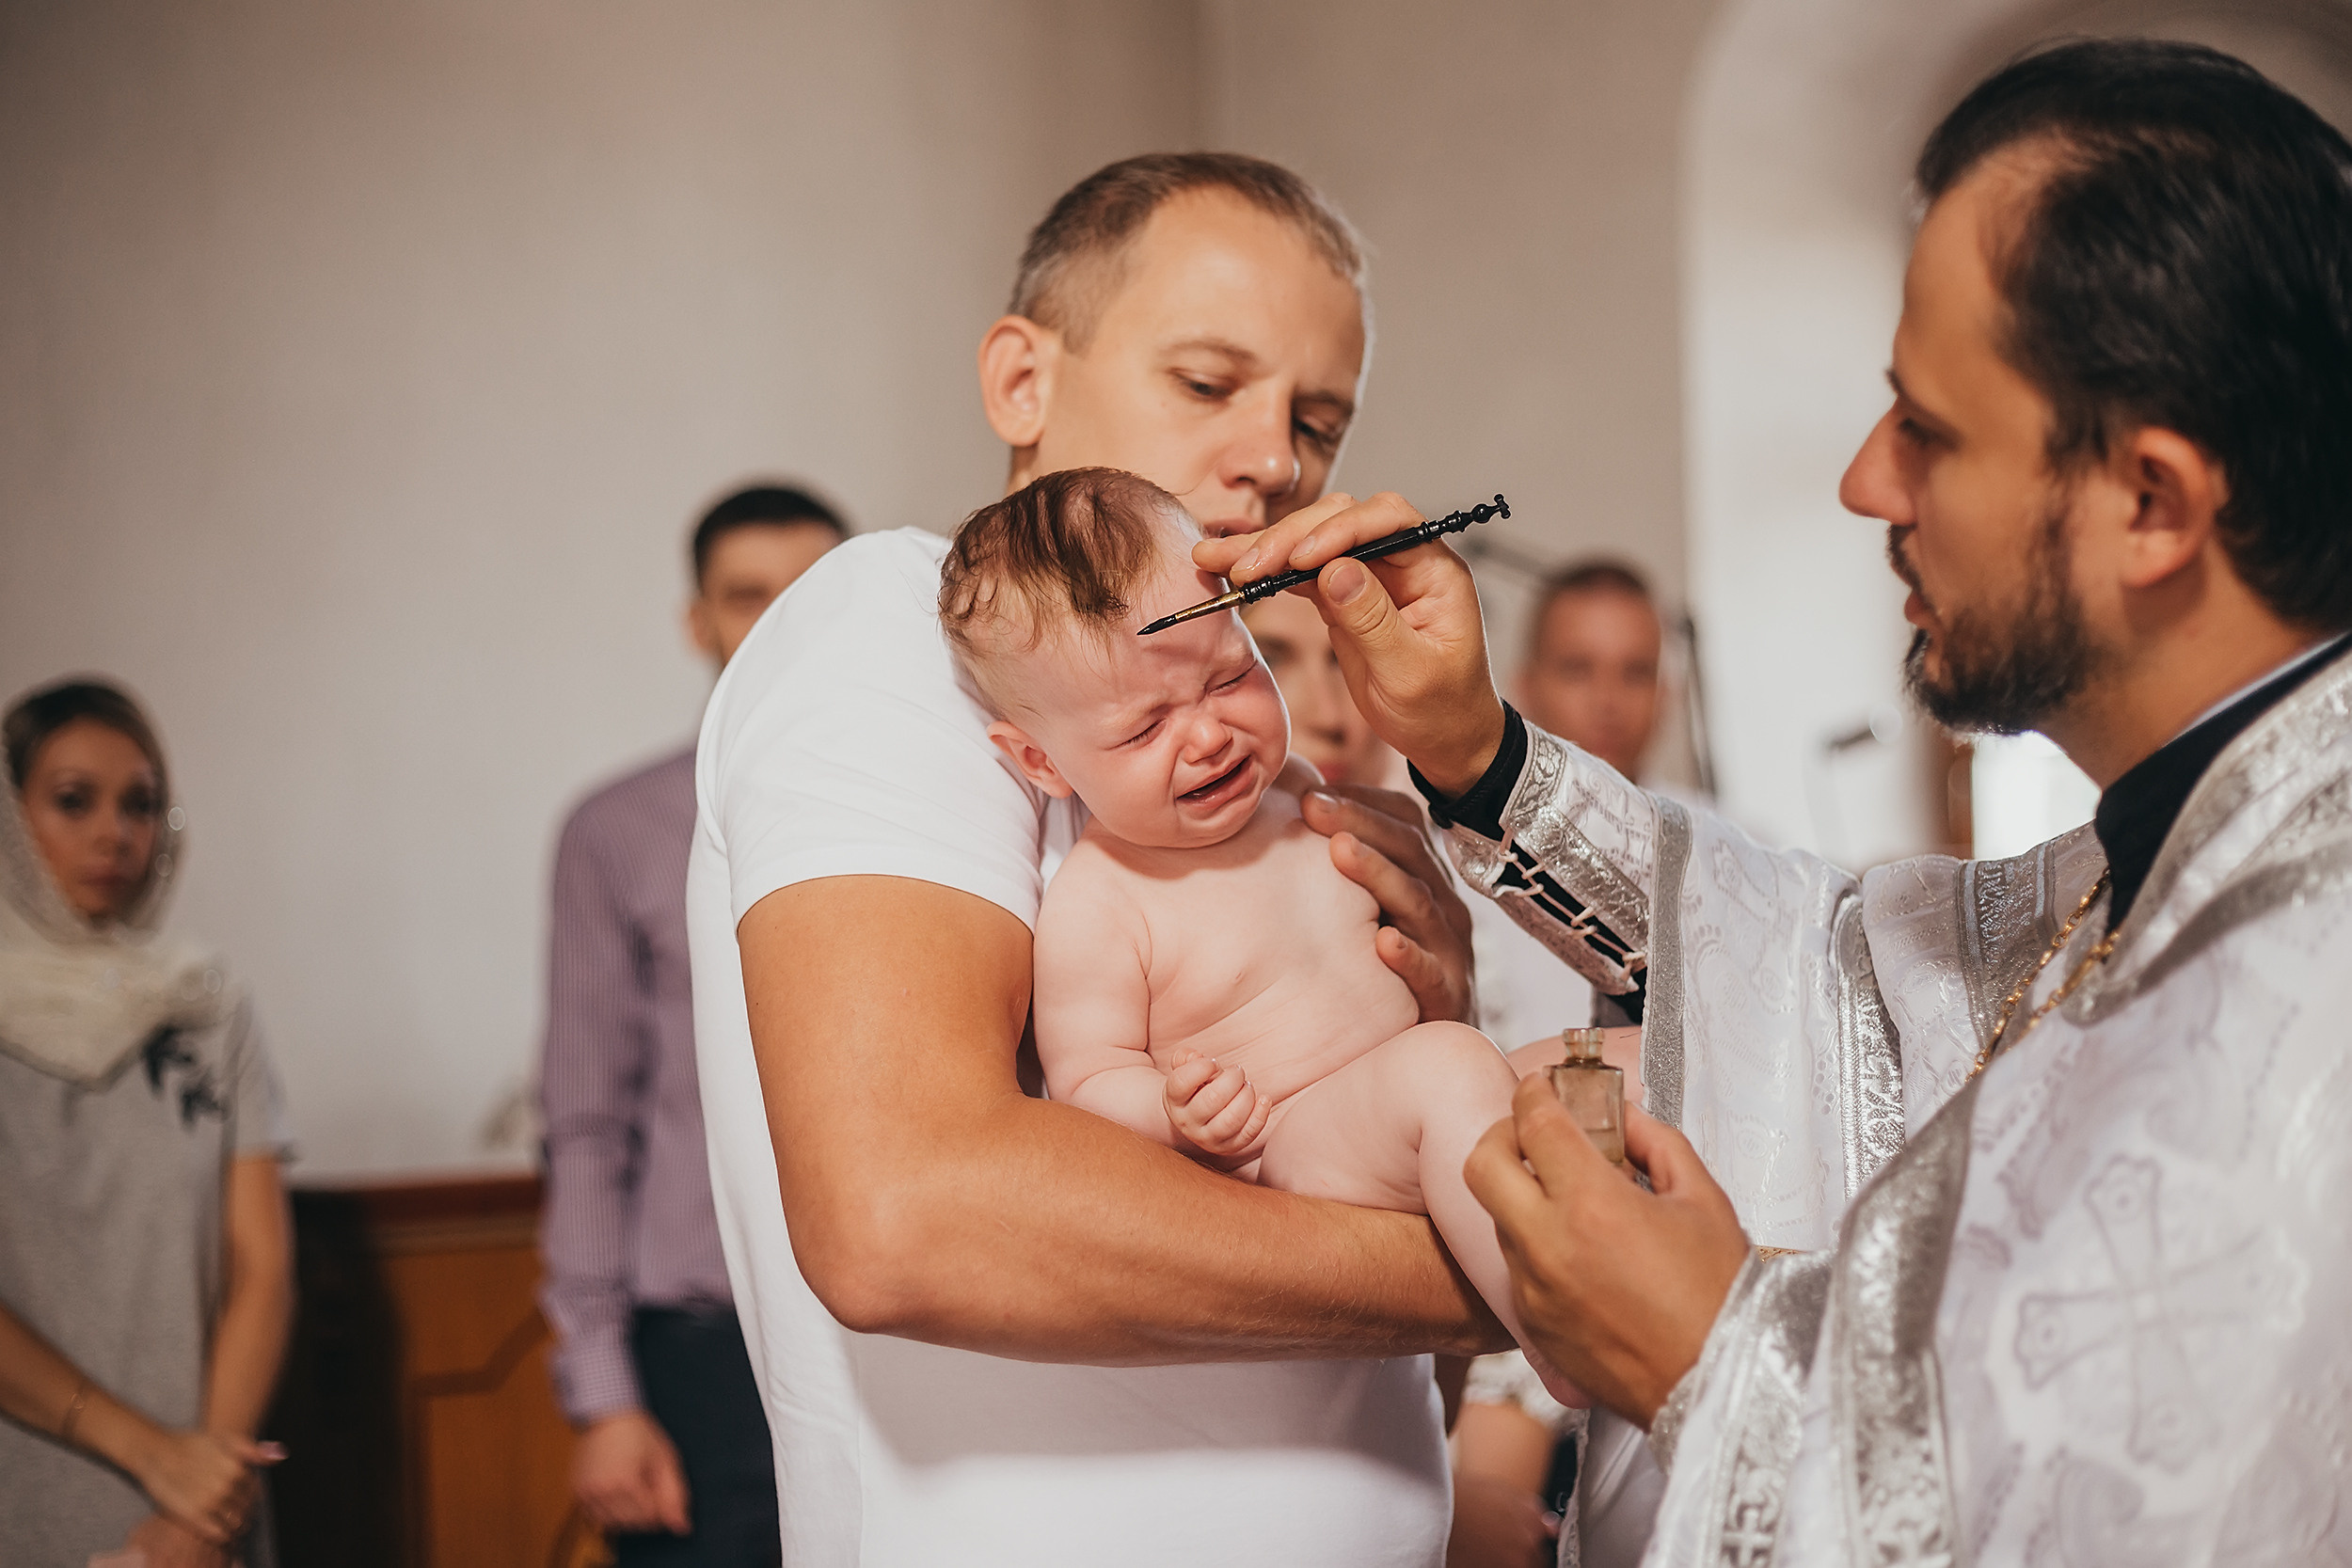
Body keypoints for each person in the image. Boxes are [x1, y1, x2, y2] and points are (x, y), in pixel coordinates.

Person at [1200, 38, 2352, 1565]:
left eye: (1926, 428)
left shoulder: (2310, 985)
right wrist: (1478, 747)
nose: (1865, 482)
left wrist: (1714, 1355)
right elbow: (1836, 969)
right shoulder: (2186, 847)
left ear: (2151, 502)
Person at [690, 152, 1497, 1568]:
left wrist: (1434, 1010)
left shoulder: (1267, 746)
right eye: (1208, 380)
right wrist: (1522, 1278)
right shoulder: (896, 633)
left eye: (1317, 419)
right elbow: (904, 1213)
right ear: (1023, 381)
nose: (1275, 459)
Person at [941, 467, 1577, 1400]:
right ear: (1041, 760)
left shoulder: (1303, 795)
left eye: (1232, 674)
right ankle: (1563, 1335)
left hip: (1409, 1112)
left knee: (1609, 1062)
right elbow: (1086, 1081)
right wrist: (1174, 1111)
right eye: (1144, 727)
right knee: (1447, 1066)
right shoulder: (1100, 902)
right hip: (1293, 1154)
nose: (1208, 735)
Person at [539, 484, 843, 1565]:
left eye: (809, 593)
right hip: (704, 1348)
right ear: (698, 619)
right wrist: (604, 1392)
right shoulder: (616, 831)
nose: (778, 622)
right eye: (746, 595)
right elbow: (586, 1120)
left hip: (902, 1330)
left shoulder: (946, 802)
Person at [0, 678, 294, 1568]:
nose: (114, 833)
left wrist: (201, 1503)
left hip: (208, 1490)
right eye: (73, 800)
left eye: (140, 804)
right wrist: (153, 1455)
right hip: (33, 1482)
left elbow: (262, 1266)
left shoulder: (207, 1002)